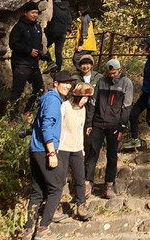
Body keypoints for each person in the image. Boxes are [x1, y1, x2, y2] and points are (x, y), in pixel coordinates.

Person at [21, 70, 75, 238]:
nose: (68, 86)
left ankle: (28, 229)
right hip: (44, 150)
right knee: (56, 187)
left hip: (36, 148)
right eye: (64, 83)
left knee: (37, 191)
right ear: (55, 83)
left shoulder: (49, 98)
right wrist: (51, 152)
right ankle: (43, 228)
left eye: (70, 83)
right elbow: (46, 128)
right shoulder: (52, 100)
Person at [85, 58, 133, 199]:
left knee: (112, 155)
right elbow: (93, 103)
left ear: (120, 70)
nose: (112, 76)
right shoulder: (101, 82)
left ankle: (109, 184)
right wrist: (89, 123)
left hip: (114, 125)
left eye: (115, 73)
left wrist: (121, 127)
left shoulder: (126, 83)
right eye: (110, 73)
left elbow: (126, 106)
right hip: (98, 124)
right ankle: (88, 182)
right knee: (93, 152)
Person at [58, 82, 94, 222]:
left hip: (77, 149)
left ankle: (81, 206)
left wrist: (82, 149)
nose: (85, 101)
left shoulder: (83, 110)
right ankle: (55, 207)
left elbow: (80, 130)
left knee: (80, 179)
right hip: (63, 148)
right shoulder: (65, 107)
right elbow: (59, 127)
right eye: (83, 97)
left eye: (87, 98)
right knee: (60, 180)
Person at [124, 35, 150, 152]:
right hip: (147, 92)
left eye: (146, 44)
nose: (144, 46)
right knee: (133, 114)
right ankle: (135, 139)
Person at [8, 1, 46, 118]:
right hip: (21, 64)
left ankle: (27, 110)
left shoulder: (37, 27)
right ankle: (13, 117)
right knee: (17, 91)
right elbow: (13, 44)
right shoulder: (19, 27)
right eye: (32, 12)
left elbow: (39, 44)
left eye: (37, 13)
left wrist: (39, 52)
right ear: (26, 13)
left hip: (33, 64)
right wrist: (29, 51)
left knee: (39, 88)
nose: (35, 15)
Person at [44, 0, 72, 73]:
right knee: (58, 52)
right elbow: (69, 20)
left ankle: (50, 62)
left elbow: (49, 18)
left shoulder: (52, 6)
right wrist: (68, 30)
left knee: (42, 46)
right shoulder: (66, 8)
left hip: (52, 31)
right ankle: (58, 70)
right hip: (63, 32)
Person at [72, 4, 98, 68]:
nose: (79, 11)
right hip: (89, 44)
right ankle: (88, 74)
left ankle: (83, 73)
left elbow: (84, 32)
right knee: (85, 60)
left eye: (80, 10)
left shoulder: (85, 19)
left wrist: (80, 45)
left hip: (85, 45)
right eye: (79, 10)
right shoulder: (87, 18)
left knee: (76, 58)